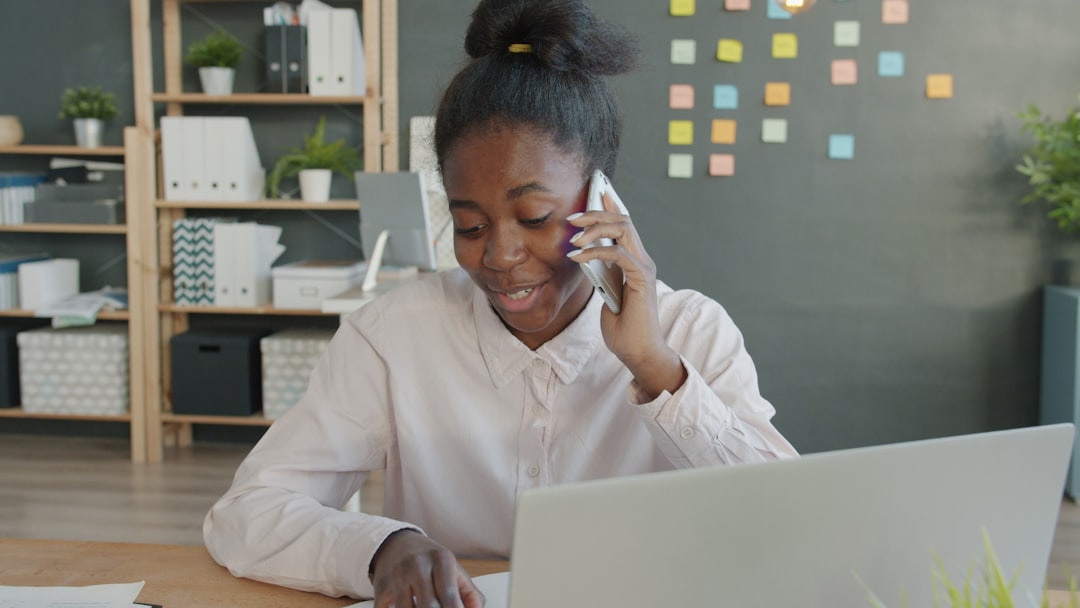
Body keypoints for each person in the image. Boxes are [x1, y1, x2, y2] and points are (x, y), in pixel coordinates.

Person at [203, 0, 798, 605]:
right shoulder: (393, 336)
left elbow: (790, 523)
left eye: (535, 217)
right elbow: (247, 513)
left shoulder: (692, 331)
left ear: (602, 201)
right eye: (470, 226)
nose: (499, 256)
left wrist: (655, 367)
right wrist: (378, 547)